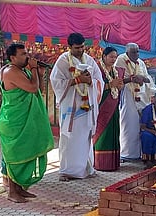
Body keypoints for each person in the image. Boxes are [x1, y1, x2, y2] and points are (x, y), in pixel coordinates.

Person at [0, 43, 54, 203]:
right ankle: (12, 192)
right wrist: (34, 70)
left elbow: (39, 89)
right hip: (13, 122)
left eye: (26, 53)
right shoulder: (10, 71)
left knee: (25, 153)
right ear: (12, 58)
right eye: (23, 54)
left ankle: (20, 189)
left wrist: (39, 72)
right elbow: (31, 87)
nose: (27, 56)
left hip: (24, 121)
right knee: (15, 156)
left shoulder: (23, 70)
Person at [50, 33, 104, 181]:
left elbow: (100, 81)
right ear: (69, 47)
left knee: (85, 137)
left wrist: (90, 81)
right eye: (77, 48)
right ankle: (67, 171)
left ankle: (86, 168)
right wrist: (77, 80)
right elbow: (56, 82)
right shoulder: (63, 61)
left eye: (82, 47)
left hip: (87, 108)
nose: (80, 50)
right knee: (70, 138)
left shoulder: (89, 60)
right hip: (71, 109)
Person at [115, 43, 156, 162]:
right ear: (127, 52)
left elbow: (147, 77)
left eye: (138, 52)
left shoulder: (141, 62)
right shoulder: (120, 60)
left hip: (141, 96)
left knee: (141, 125)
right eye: (134, 52)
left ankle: (139, 153)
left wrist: (142, 79)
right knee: (129, 124)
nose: (136, 54)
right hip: (128, 95)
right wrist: (132, 79)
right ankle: (127, 153)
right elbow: (119, 79)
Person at [92, 47, 125, 171]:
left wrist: (119, 86)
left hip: (114, 106)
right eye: (111, 57)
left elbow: (117, 88)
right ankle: (101, 163)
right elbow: (94, 87)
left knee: (113, 133)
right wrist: (110, 85)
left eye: (115, 57)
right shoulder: (98, 69)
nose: (113, 59)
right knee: (103, 133)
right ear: (104, 56)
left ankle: (112, 163)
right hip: (102, 106)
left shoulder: (116, 71)